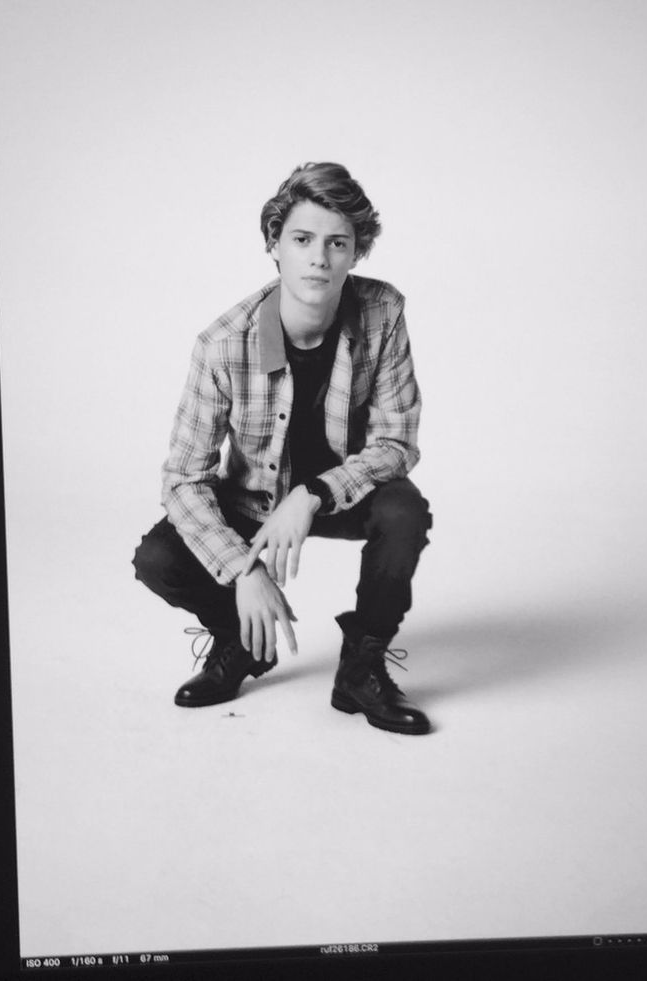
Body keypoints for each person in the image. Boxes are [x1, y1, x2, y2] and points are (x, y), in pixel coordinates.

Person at [132, 162, 433, 735]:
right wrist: (243, 568)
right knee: (159, 559)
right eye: (302, 239)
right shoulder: (222, 345)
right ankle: (242, 642)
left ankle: (361, 671)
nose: (319, 258)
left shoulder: (383, 312)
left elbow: (397, 441)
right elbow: (182, 480)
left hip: (339, 495)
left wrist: (315, 493)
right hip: (252, 503)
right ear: (274, 244)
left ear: (356, 252)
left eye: (337, 243)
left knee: (404, 513)